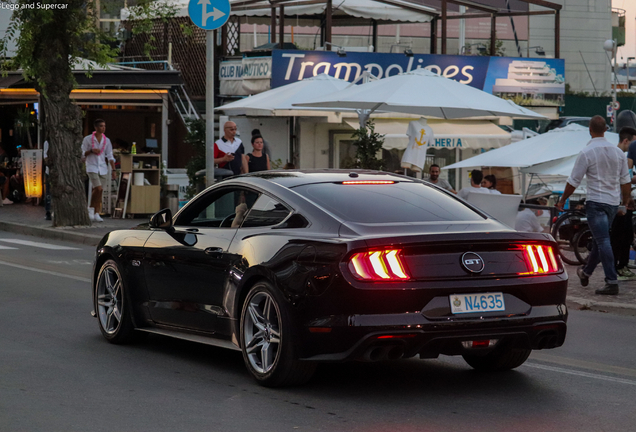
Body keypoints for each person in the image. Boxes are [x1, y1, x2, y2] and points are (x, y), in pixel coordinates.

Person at [556, 115, 634, 296]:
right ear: (606, 130)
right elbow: (625, 181)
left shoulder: (586, 152)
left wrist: (562, 200)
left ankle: (611, 281)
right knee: (601, 241)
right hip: (612, 204)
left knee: (603, 241)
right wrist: (625, 201)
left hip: (596, 202)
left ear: (590, 131)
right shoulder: (618, 153)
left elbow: (574, 180)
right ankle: (586, 272)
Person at [612, 127, 636, 280]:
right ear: (626, 141)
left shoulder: (618, 154)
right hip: (619, 202)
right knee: (619, 236)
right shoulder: (619, 156)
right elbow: (625, 178)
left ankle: (621, 266)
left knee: (624, 235)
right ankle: (617, 268)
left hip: (621, 200)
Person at [81, 119, 116, 222]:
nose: (103, 128)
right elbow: (82, 153)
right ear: (95, 127)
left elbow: (110, 155)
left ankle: (96, 212)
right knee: (98, 188)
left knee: (100, 191)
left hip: (103, 167)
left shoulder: (107, 140)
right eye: (101, 126)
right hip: (91, 166)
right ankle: (90, 209)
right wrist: (91, 151)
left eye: (104, 126)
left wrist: (113, 170)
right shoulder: (88, 139)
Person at [43, 139, 51, 220]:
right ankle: (48, 211)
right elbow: (45, 156)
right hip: (50, 171)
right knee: (48, 192)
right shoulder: (48, 142)